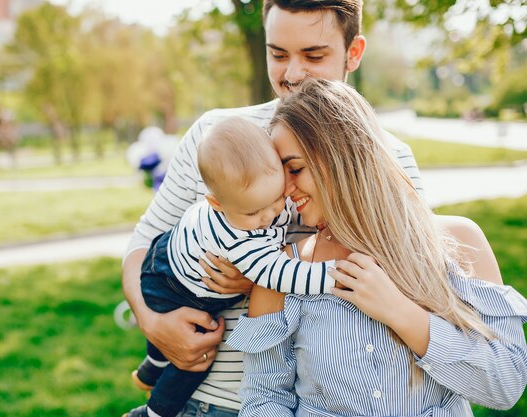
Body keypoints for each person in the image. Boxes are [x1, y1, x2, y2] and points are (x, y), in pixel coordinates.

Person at [122, 1, 428, 415]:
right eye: (278, 54)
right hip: (204, 398)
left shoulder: (391, 159)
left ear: (353, 53)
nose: (292, 74)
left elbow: (403, 286)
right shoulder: (213, 137)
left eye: (314, 55)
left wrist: (260, 278)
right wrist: (151, 322)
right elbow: (143, 243)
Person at [226, 78, 527, 416]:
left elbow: (507, 385)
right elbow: (264, 399)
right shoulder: (282, 271)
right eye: (280, 173)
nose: (285, 188)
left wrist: (400, 313)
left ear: (345, 160)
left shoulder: (459, 244)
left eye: (295, 168)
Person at [127, 116, 341, 417]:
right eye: (255, 212)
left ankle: (150, 370)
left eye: (278, 199)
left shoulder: (254, 195)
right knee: (194, 361)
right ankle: (154, 412)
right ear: (217, 203)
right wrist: (332, 276)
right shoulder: (236, 235)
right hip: (172, 286)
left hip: (173, 255)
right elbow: (280, 274)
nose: (269, 216)